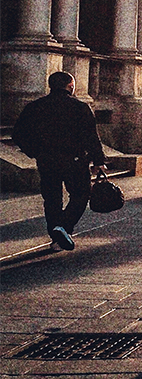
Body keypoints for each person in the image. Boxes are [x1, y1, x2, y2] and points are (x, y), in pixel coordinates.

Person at [11, 71, 105, 252]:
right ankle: (63, 227)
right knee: (80, 194)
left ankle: (56, 236)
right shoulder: (80, 107)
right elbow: (91, 137)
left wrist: (34, 151)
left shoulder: (35, 107)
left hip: (46, 159)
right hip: (75, 160)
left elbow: (18, 134)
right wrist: (98, 160)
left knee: (52, 198)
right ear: (71, 86)